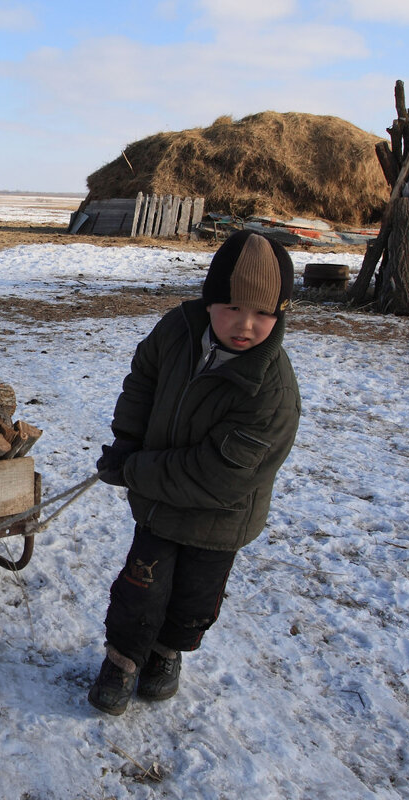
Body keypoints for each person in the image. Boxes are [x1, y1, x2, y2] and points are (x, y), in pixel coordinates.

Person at [87, 230, 301, 716]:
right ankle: (121, 660)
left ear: (280, 313)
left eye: (264, 313)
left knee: (193, 599)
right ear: (209, 303)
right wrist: (126, 441)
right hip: (161, 508)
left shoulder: (271, 391)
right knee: (140, 588)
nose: (246, 325)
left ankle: (165, 654)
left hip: (219, 518)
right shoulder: (177, 331)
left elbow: (218, 476)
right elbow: (143, 382)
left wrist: (136, 469)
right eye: (232, 308)